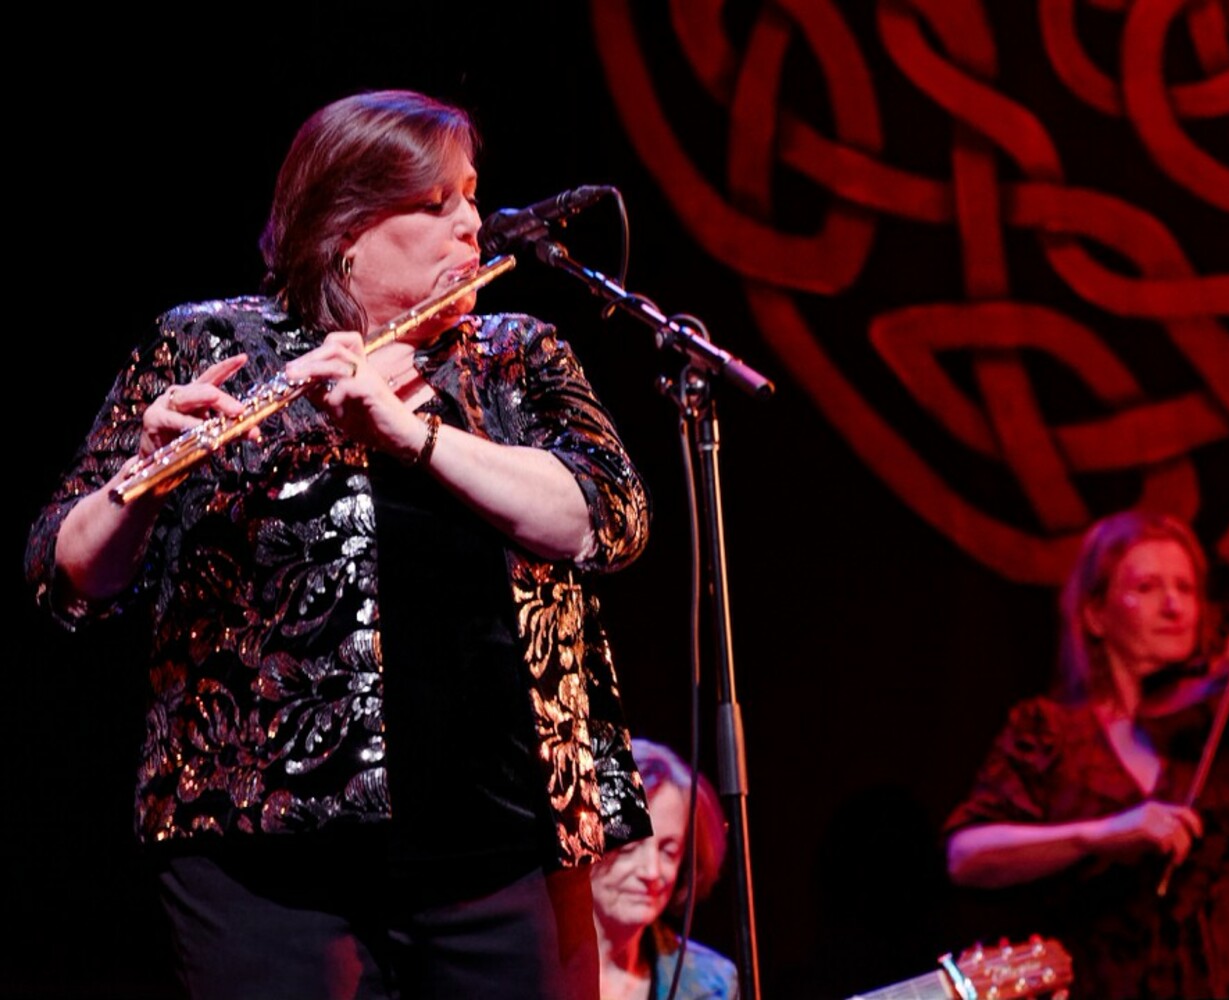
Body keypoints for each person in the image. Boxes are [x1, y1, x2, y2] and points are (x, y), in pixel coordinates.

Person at [25, 89, 654, 999]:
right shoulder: (211, 343)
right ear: (345, 228)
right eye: (436, 204)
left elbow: (607, 516)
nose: (472, 224)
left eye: (472, 196)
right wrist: (146, 479)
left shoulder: (516, 354)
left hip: (504, 850)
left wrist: (413, 435)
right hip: (266, 866)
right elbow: (64, 572)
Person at [944, 511, 1229, 998]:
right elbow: (967, 856)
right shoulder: (1047, 729)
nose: (1174, 605)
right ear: (1095, 615)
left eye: (1186, 589)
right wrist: (1100, 835)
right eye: (1147, 587)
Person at [592, 738, 739, 1000]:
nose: (651, 871)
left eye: (668, 851)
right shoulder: (523, 967)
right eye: (629, 846)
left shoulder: (711, 985)